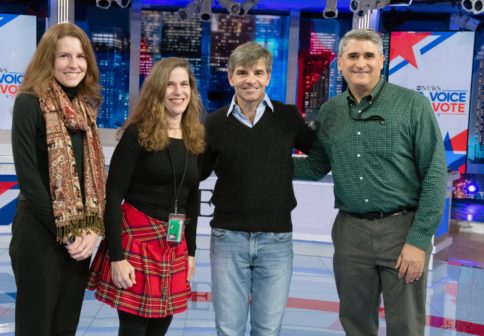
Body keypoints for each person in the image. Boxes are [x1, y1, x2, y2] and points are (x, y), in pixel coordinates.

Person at [294, 28, 447, 335]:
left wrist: (418, 240)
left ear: (381, 60)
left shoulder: (413, 106)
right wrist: (259, 160)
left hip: (401, 229)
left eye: (368, 56)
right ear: (340, 63)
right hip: (351, 232)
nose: (360, 63)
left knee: (405, 324)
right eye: (352, 56)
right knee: (355, 322)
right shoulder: (331, 111)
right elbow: (314, 167)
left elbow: (434, 174)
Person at [202, 42, 315, 336]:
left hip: (276, 240)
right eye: (242, 72)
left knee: (267, 330)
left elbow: (320, 152)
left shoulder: (287, 117)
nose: (250, 79)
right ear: (230, 77)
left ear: (268, 77)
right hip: (228, 238)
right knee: (228, 329)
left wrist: (284, 168)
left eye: (257, 72)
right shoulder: (212, 124)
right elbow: (197, 171)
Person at [87, 57, 204, 336]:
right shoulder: (137, 134)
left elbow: (192, 198)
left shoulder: (195, 136)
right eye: (170, 85)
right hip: (136, 242)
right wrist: (117, 257)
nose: (178, 92)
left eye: (184, 84)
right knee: (134, 329)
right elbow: (113, 195)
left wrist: (191, 252)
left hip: (174, 244)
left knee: (161, 327)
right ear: (157, 91)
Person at [10, 23, 106, 335]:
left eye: (80, 56)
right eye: (64, 56)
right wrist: (68, 234)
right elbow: (29, 179)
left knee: (65, 328)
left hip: (79, 237)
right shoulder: (29, 102)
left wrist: (92, 231)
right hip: (40, 234)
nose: (74, 64)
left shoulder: (84, 110)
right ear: (48, 59)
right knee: (35, 327)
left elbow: (91, 180)